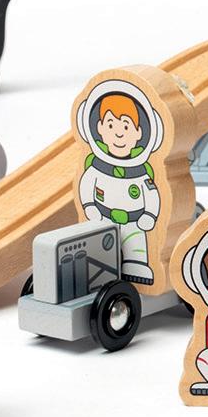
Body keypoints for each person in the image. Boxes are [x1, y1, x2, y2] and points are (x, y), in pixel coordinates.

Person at [75, 83, 164, 282]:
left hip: (134, 222)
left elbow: (152, 194)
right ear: (99, 128)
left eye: (125, 126)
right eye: (110, 125)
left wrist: (149, 215)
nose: (119, 133)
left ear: (139, 132)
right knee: (100, 248)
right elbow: (86, 185)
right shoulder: (96, 168)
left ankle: (136, 267)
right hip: (103, 218)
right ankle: (99, 269)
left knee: (136, 248)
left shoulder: (141, 173)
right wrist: (89, 205)